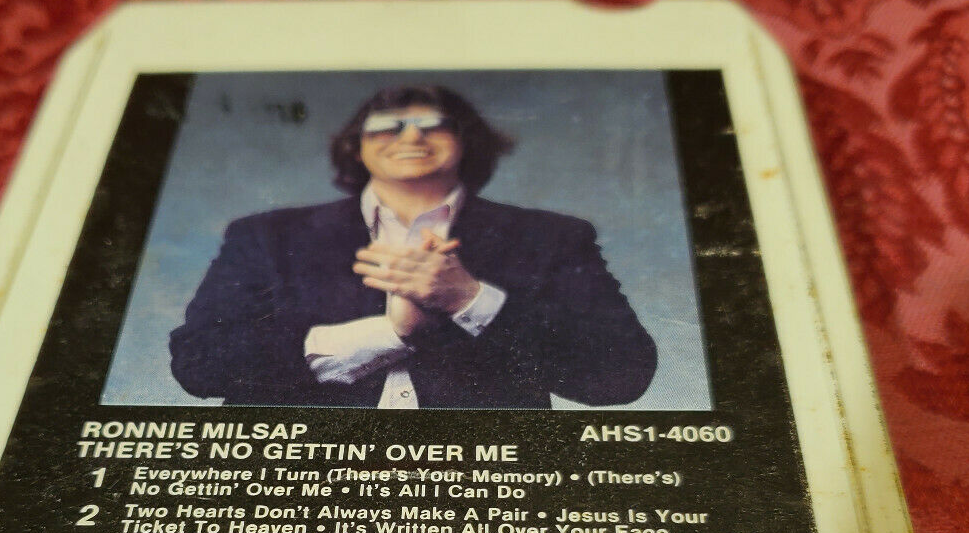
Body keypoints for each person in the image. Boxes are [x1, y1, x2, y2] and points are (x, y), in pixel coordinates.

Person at [168, 84, 657, 408]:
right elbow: (199, 363)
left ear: (468, 141)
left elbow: (622, 373)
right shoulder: (266, 236)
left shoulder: (554, 238)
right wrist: (390, 333)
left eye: (433, 123)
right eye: (386, 125)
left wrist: (472, 301)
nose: (410, 134)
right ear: (355, 144)